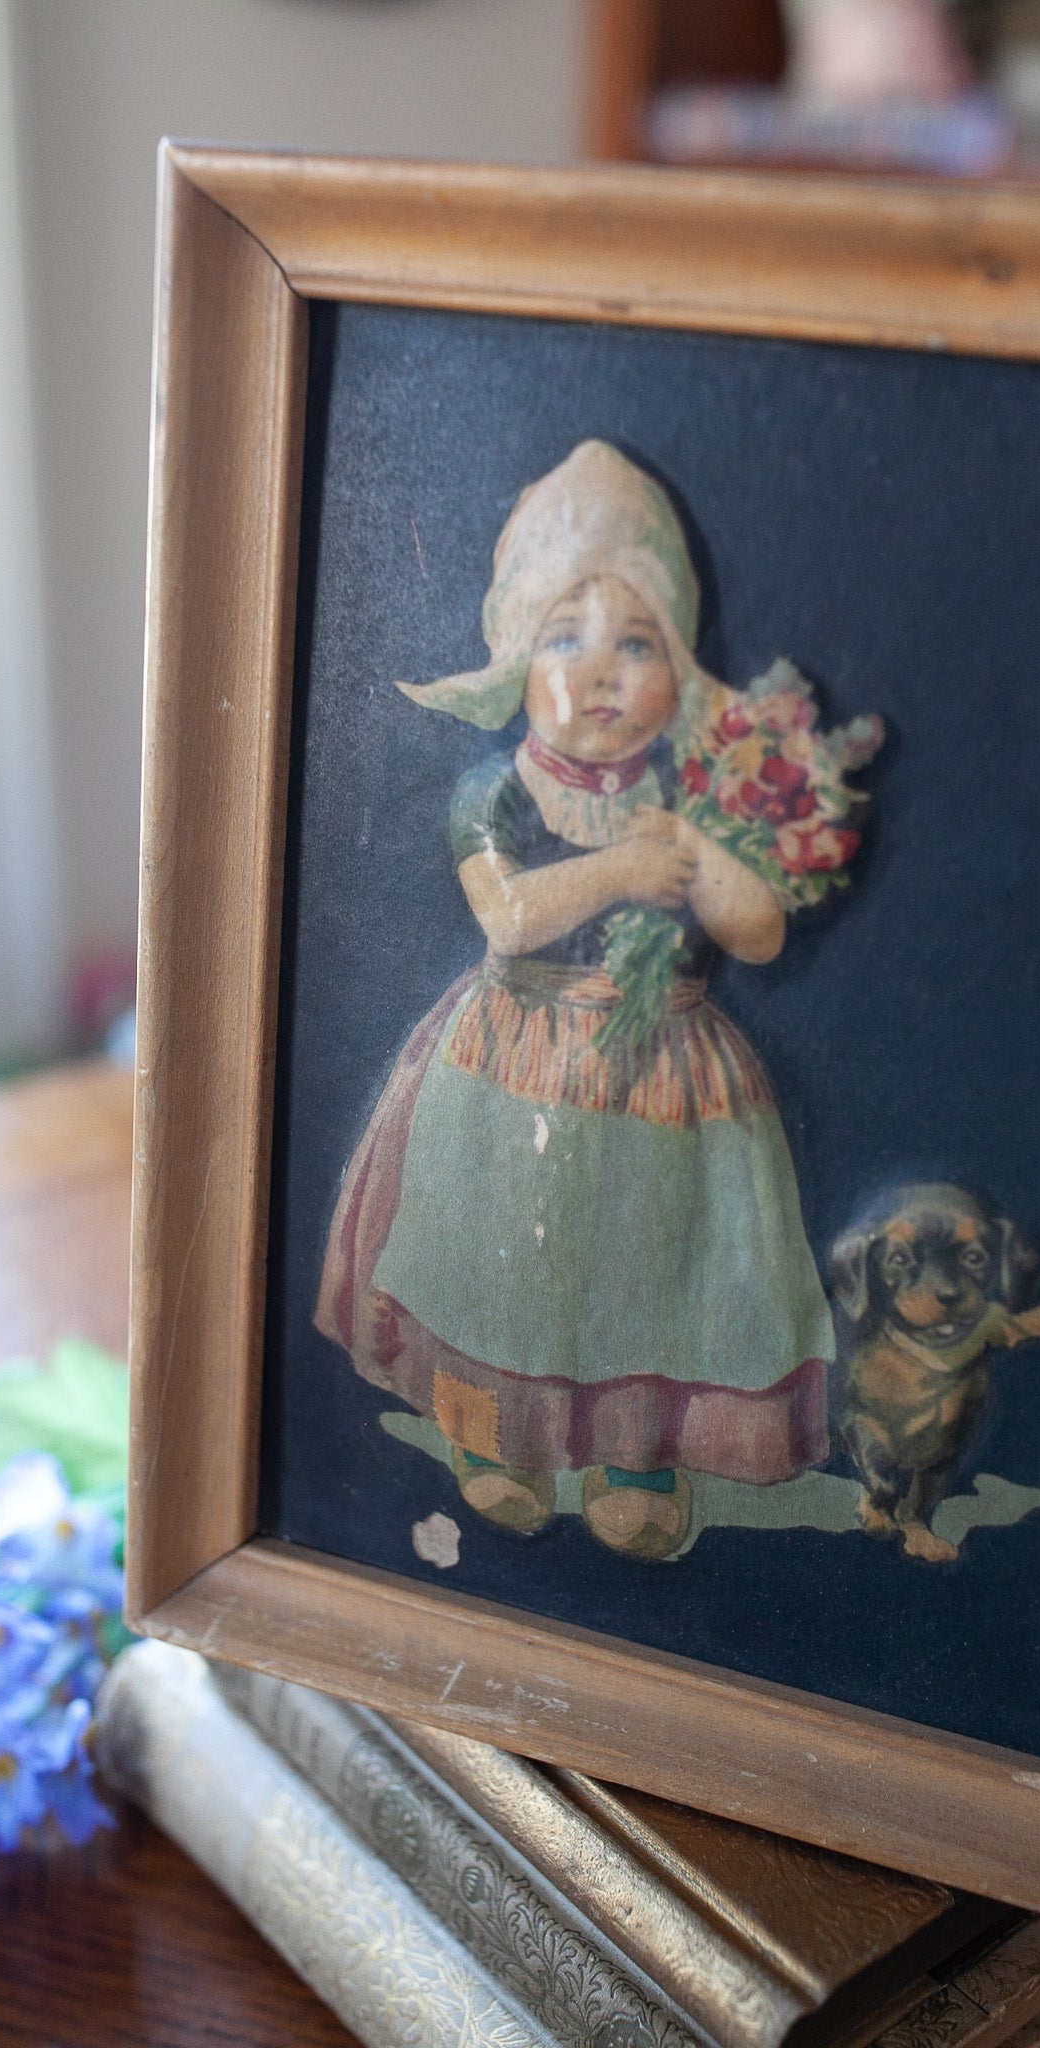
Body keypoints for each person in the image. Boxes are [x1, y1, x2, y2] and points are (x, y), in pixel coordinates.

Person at [316, 440, 835, 1561]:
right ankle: (494, 1439)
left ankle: (635, 1454)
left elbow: (759, 928)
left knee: (647, 1264)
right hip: (514, 1064)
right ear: (514, 659)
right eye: (565, 637)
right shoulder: (494, 792)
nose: (598, 671)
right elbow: (505, 918)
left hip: (662, 1072)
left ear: (683, 671)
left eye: (634, 642)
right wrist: (617, 871)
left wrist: (702, 841)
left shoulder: (691, 793)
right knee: (497, 1258)